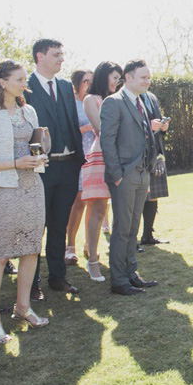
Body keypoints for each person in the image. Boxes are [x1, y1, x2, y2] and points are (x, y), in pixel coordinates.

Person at [0, 60, 49, 343]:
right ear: (1, 82)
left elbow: (34, 145)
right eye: (19, 79)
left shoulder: (29, 110)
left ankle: (23, 307)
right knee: (2, 254)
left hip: (33, 187)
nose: (24, 83)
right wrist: (15, 163)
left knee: (31, 250)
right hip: (4, 190)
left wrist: (39, 156)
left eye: (25, 78)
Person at [24, 38, 85, 298]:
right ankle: (32, 283)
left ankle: (58, 278)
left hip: (68, 165)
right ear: (40, 56)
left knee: (60, 225)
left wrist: (78, 158)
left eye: (62, 54)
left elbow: (71, 122)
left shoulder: (64, 85)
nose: (61, 59)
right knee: (37, 227)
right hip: (41, 168)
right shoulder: (24, 87)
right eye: (56, 54)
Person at [100, 59, 160, 296]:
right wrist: (116, 176)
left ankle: (131, 273)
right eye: (143, 77)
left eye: (149, 77)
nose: (147, 81)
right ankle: (118, 280)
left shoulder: (141, 102)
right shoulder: (112, 103)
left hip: (142, 173)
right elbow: (107, 141)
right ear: (128, 77)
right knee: (122, 229)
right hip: (124, 176)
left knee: (133, 227)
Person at [79, 61, 122, 282]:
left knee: (118, 209)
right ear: (104, 76)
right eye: (114, 77)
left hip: (119, 157)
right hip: (99, 158)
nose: (117, 81)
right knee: (97, 209)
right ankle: (93, 259)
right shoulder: (91, 99)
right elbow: (100, 129)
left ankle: (119, 257)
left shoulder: (118, 99)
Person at [65, 69, 93, 266]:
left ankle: (90, 244)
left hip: (96, 155)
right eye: (86, 81)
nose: (89, 84)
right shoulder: (70, 103)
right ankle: (70, 245)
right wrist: (88, 127)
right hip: (78, 155)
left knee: (96, 202)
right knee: (79, 201)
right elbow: (68, 130)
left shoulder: (95, 101)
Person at [139, 89, 170, 249]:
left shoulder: (151, 97)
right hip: (138, 154)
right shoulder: (126, 96)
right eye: (143, 77)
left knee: (153, 195)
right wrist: (148, 127)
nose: (146, 81)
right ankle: (131, 241)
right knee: (137, 198)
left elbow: (156, 123)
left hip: (155, 151)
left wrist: (163, 127)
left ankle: (147, 235)